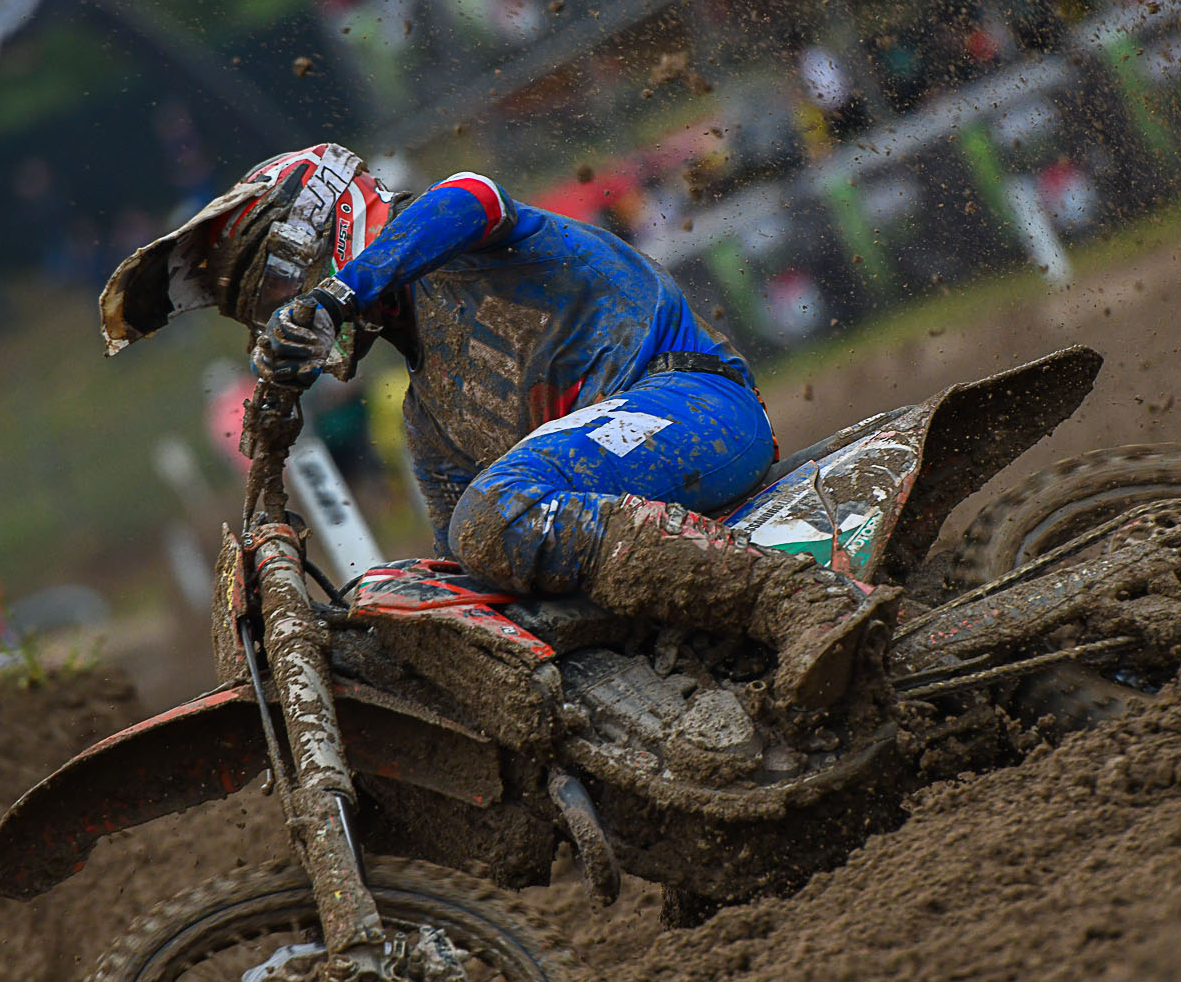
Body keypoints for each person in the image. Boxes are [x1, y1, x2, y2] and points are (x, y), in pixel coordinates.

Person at [101, 145, 897, 720]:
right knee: (433, 577)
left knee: (495, 507)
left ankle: (798, 601)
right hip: (636, 478)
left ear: (324, 226)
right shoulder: (428, 415)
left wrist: (341, 293)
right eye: (262, 310)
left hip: (694, 402)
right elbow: (469, 561)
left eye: (277, 287)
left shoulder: (461, 232)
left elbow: (471, 194)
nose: (279, 313)